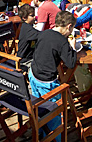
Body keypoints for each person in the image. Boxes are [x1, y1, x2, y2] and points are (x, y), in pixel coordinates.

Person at [29, 11, 79, 142]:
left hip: (33, 75)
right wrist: (72, 48)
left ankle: (39, 130)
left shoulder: (44, 33)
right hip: (47, 82)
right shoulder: (62, 41)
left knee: (39, 105)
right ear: (69, 26)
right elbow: (71, 63)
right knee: (53, 112)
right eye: (72, 28)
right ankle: (53, 137)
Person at [15, 4, 39, 71]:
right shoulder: (27, 29)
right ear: (24, 18)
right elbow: (40, 35)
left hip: (31, 57)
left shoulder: (27, 27)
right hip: (24, 61)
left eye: (34, 15)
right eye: (32, 16)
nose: (35, 17)